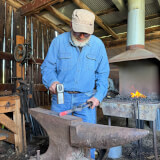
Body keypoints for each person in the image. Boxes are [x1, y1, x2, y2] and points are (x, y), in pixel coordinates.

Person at [41, 9, 110, 159]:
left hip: (86, 100)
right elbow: (47, 67)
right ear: (71, 25)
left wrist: (98, 96)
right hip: (61, 99)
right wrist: (52, 81)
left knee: (87, 138)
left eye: (87, 33)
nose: (83, 36)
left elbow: (103, 75)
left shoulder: (98, 45)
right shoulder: (58, 42)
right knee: (59, 138)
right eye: (79, 32)